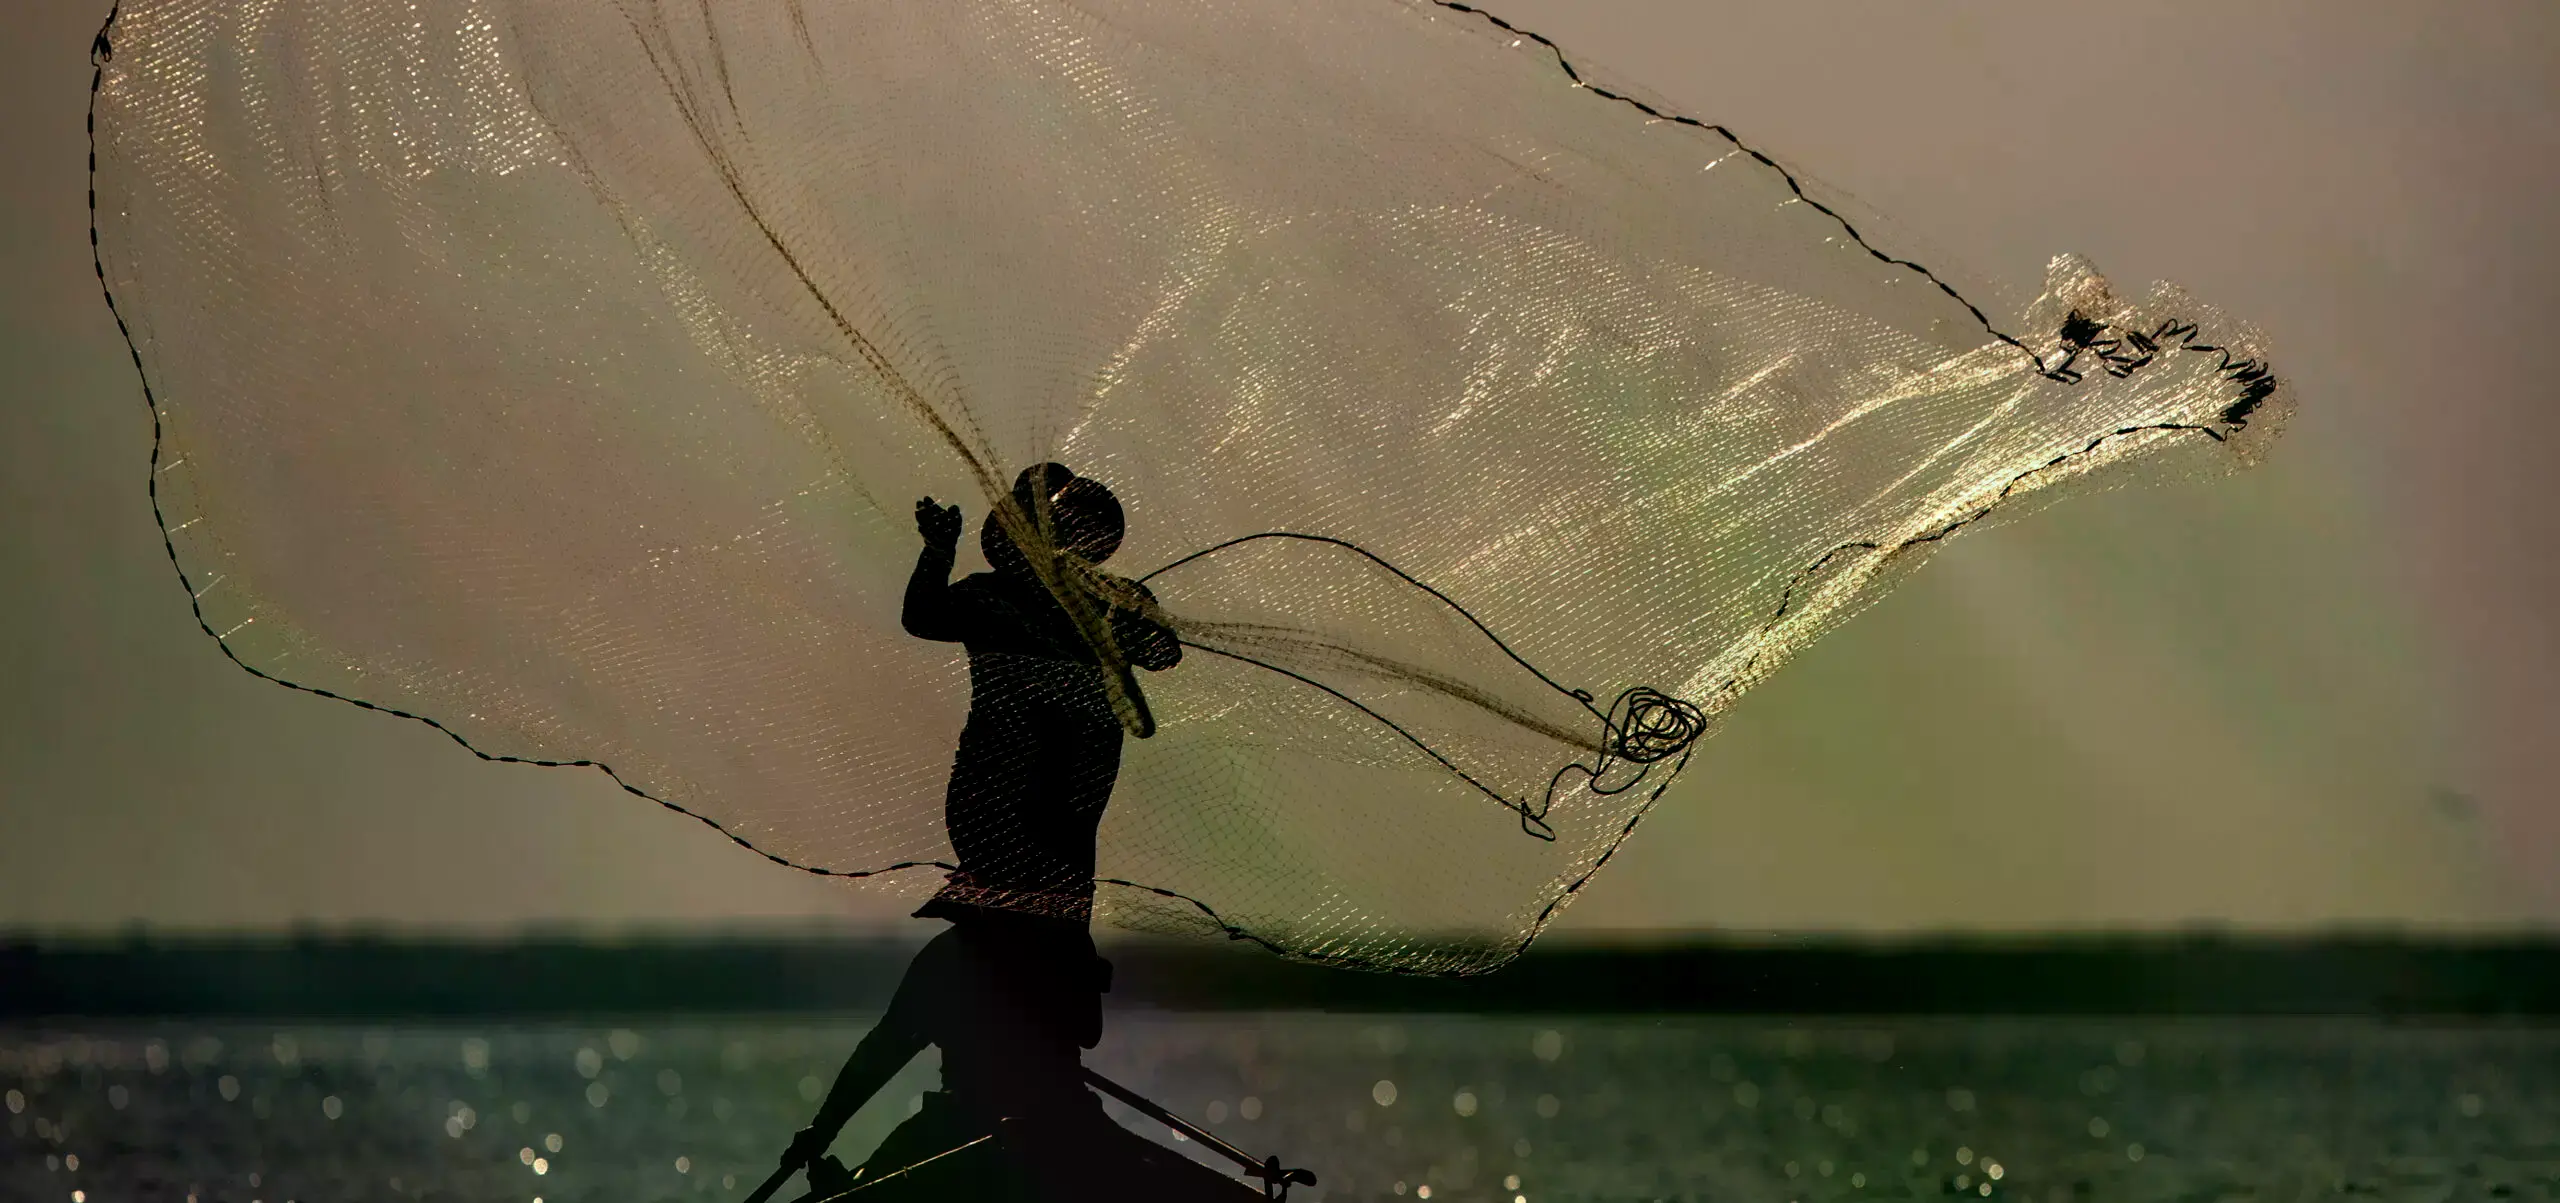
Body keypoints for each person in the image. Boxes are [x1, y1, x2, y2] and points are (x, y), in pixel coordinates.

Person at [760, 465, 1256, 1202]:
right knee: (1041, 866)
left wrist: (1109, 609)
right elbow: (924, 614)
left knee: (1057, 871)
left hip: (1066, 802)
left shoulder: (1098, 602)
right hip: (1003, 772)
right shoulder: (991, 601)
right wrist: (937, 548)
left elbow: (1162, 651)